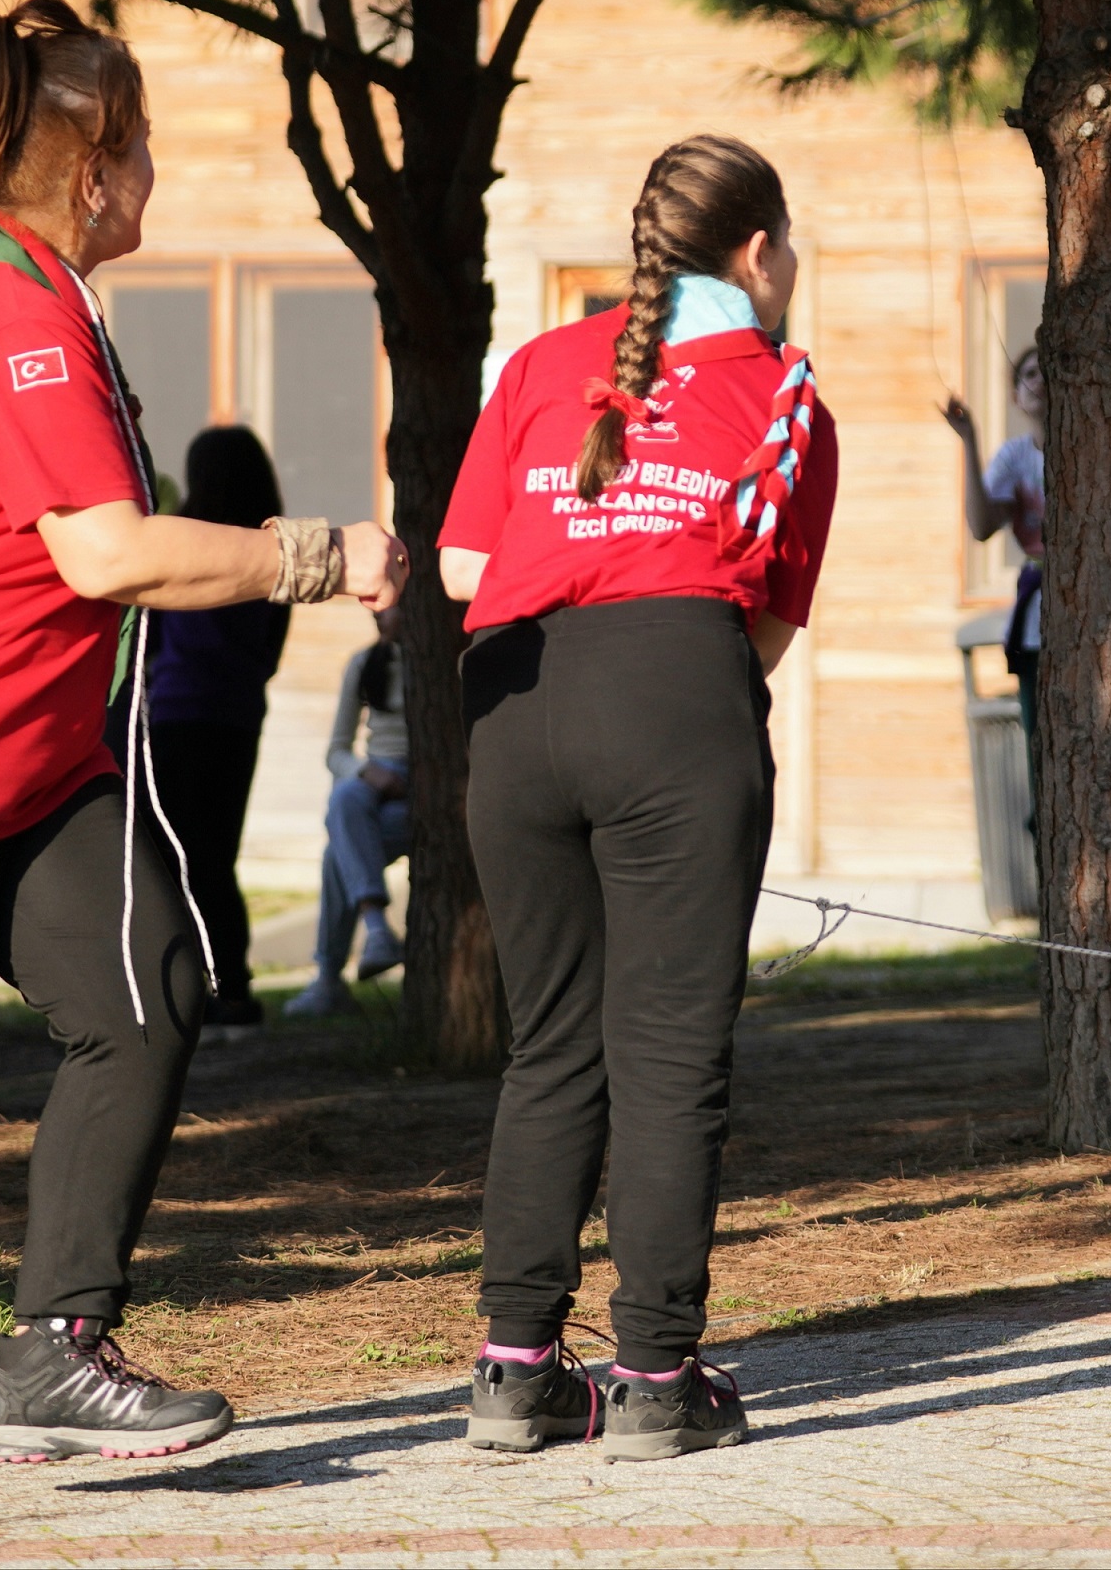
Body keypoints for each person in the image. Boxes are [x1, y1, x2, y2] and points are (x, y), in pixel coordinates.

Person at [0, 0, 401, 1503]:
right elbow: (108, 554)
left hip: (20, 775)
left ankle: (51, 1356)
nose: (156, 167)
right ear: (99, 168)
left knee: (148, 985)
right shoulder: (8, 315)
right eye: (150, 141)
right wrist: (322, 553)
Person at [439, 135, 837, 1463]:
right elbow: (768, 632)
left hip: (515, 701)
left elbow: (458, 563)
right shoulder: (786, 393)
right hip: (674, 690)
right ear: (759, 253)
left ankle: (513, 1371)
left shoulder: (543, 363)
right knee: (668, 1051)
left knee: (552, 1041)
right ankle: (658, 1379)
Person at [124, 427, 290, 1039]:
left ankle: (186, 990)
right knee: (218, 856)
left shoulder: (184, 541)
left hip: (173, 714)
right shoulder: (272, 550)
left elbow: (154, 638)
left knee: (172, 856)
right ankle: (233, 989)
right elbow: (268, 652)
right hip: (238, 715)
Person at [287, 603, 410, 1019]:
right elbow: (336, 752)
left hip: (424, 787)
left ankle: (329, 979)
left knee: (336, 852)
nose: (376, 610)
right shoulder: (365, 663)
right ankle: (376, 928)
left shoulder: (442, 662)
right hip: (375, 784)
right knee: (345, 799)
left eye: (388, 601)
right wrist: (365, 769)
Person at [943, 346, 1045, 823]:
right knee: (1039, 731)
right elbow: (982, 526)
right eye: (1028, 374)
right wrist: (970, 439)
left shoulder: (1096, 452)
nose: (1039, 381)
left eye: (1049, 371)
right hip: (1040, 614)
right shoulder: (1016, 457)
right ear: (1015, 395)